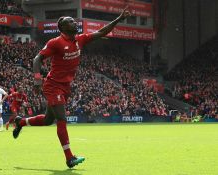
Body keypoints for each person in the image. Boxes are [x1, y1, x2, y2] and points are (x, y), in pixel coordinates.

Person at [12, 7, 131, 168]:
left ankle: (21, 122)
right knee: (62, 119)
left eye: (74, 21)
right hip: (53, 85)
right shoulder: (56, 42)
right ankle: (69, 158)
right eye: (71, 21)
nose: (74, 22)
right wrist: (37, 79)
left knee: (48, 120)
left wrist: (119, 18)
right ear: (63, 28)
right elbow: (37, 59)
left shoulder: (80, 40)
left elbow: (102, 32)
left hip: (66, 86)